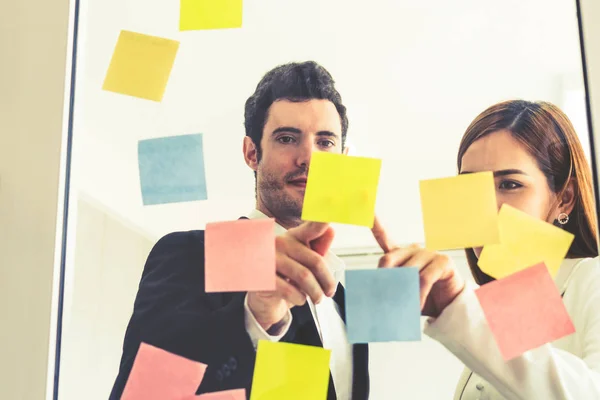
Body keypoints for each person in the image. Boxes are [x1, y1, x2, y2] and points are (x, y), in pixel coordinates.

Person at [109, 61, 369, 400]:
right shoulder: (191, 254)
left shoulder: (347, 303)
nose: (309, 157)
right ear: (251, 153)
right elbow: (140, 393)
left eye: (325, 142)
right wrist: (254, 319)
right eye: (287, 138)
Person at [372, 100, 600, 399]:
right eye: (471, 187)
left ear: (565, 198)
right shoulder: (502, 305)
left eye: (510, 184)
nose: (485, 207)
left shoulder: (591, 279)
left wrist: (457, 305)